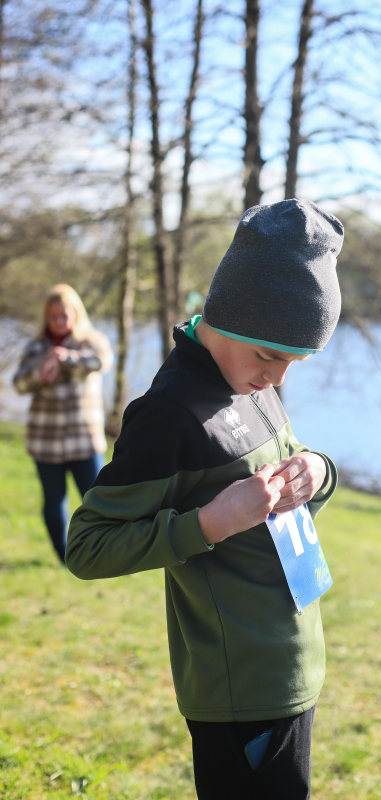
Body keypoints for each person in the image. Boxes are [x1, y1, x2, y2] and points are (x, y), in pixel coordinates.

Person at [66, 199, 344, 799]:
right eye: (271, 355)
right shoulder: (169, 413)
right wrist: (209, 523)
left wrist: (316, 473)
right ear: (229, 319)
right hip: (239, 688)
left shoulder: (251, 379)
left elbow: (291, 470)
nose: (279, 378)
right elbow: (86, 548)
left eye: (296, 362)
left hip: (292, 663)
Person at [13, 284, 113, 564]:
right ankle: (65, 556)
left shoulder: (91, 342)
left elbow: (100, 362)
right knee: (54, 502)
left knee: (97, 501)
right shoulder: (36, 348)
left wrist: (65, 359)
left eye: (64, 315)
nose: (58, 322)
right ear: (46, 318)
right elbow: (19, 384)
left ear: (76, 314)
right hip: (45, 442)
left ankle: (105, 551)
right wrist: (40, 371)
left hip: (85, 441)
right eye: (53, 316)